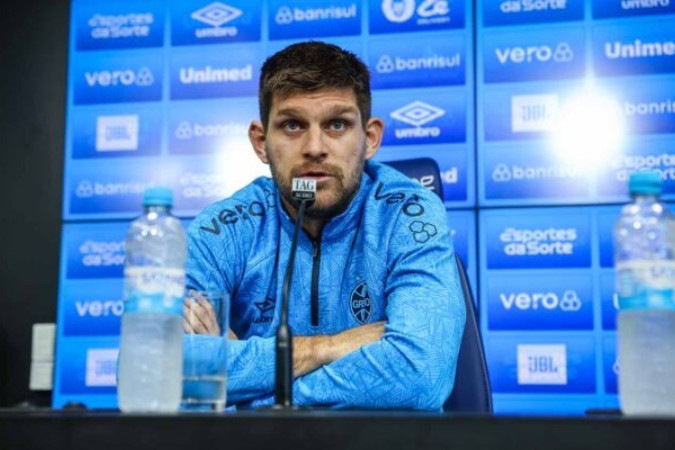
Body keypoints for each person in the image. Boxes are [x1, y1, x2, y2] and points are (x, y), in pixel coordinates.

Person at [184, 41, 466, 410]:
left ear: (370, 138)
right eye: (292, 125)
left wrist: (249, 389)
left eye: (336, 124)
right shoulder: (222, 231)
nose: (315, 147)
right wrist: (329, 346)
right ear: (261, 142)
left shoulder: (409, 213)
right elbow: (152, 369)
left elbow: (419, 375)